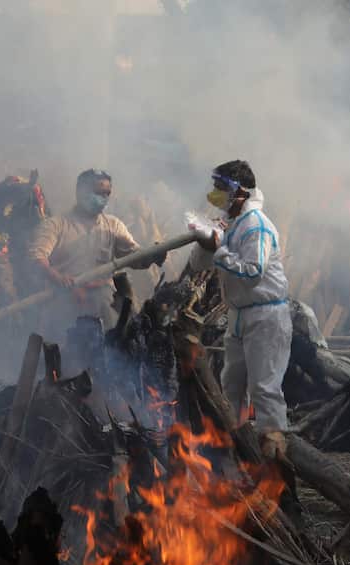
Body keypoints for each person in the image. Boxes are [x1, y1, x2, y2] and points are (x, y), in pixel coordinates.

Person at [186, 160, 291, 459]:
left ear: (241, 193)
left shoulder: (256, 225)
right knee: (231, 385)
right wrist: (206, 243)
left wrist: (219, 249)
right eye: (216, 187)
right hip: (239, 314)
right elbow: (199, 265)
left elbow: (252, 271)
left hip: (266, 315)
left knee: (265, 388)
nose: (216, 194)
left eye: (223, 189)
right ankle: (232, 454)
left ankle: (274, 456)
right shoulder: (229, 222)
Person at [27, 169, 166, 335]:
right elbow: (36, 256)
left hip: (104, 303)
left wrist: (151, 256)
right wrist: (58, 277)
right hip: (64, 302)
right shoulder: (56, 225)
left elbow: (134, 256)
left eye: (107, 193)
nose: (103, 198)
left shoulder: (113, 226)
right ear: (80, 191)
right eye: (98, 192)